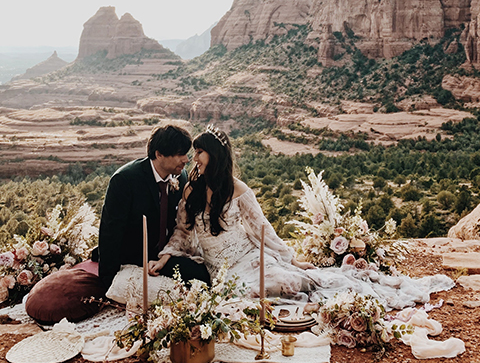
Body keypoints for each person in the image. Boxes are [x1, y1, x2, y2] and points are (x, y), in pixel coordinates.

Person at [149, 125, 454, 311]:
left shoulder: (239, 190)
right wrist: (166, 256)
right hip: (219, 268)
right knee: (247, 296)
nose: (192, 159)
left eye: (199, 152)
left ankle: (319, 279)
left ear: (214, 156)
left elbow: (262, 229)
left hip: (247, 257)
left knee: (289, 282)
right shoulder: (190, 190)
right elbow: (182, 231)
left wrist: (290, 258)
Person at [98, 124, 210, 292]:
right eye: (180, 154)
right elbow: (110, 233)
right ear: (159, 154)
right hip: (133, 255)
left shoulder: (181, 175)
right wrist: (108, 284)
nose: (186, 160)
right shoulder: (124, 180)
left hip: (164, 254)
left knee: (202, 274)